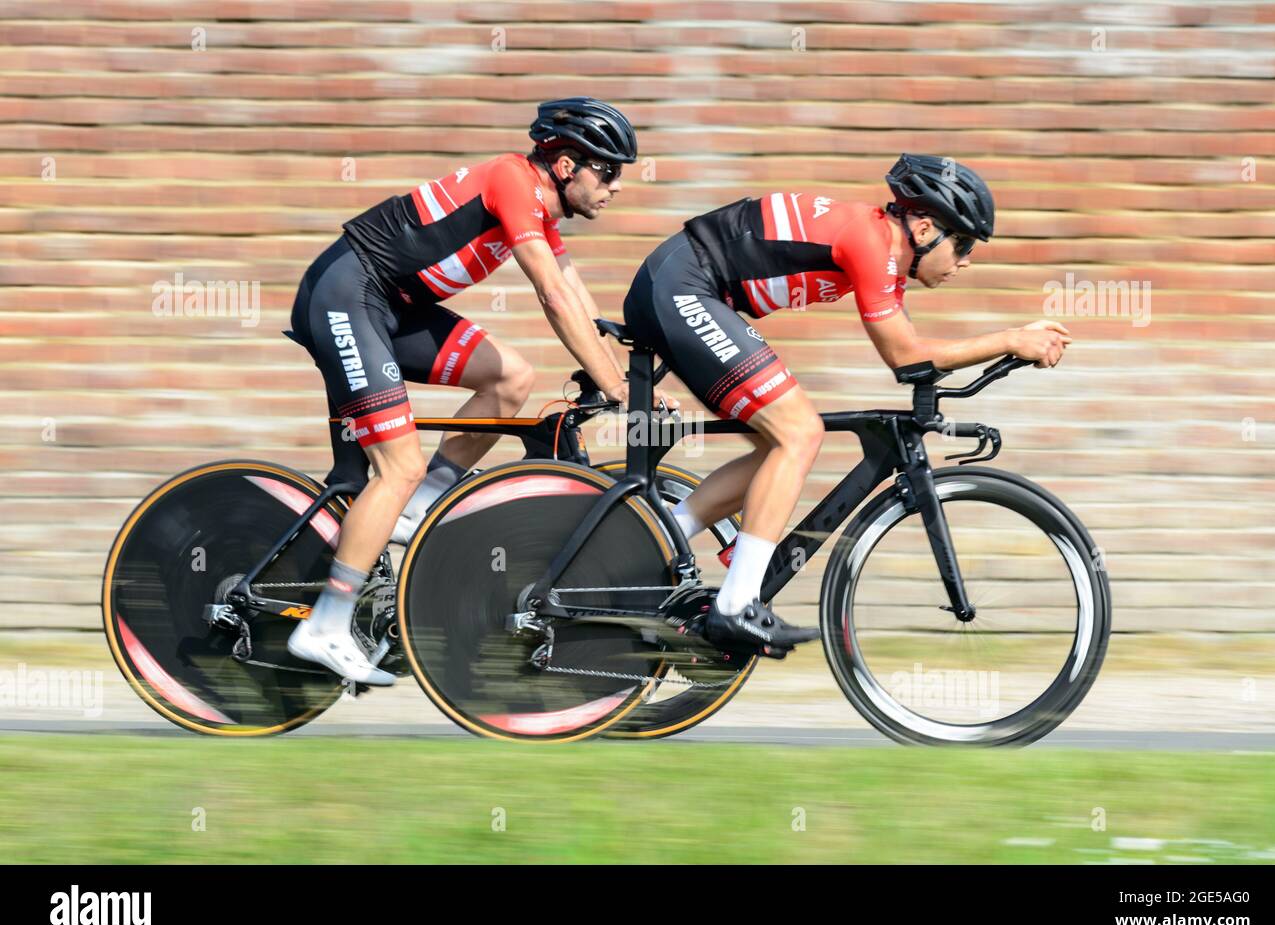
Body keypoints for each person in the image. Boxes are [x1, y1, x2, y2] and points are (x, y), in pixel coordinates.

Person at [284, 97, 669, 684]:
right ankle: (326, 622)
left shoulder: (541, 208)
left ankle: (413, 511)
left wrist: (621, 373)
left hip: (390, 307)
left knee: (511, 377)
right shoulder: (513, 180)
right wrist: (614, 386)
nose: (616, 186)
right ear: (566, 165)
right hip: (345, 294)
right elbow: (552, 296)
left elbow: (574, 291)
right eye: (609, 171)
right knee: (397, 465)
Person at [621, 153, 1072, 655]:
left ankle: (645, 545)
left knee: (779, 444)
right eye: (962, 243)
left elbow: (915, 361)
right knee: (800, 432)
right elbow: (904, 357)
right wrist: (1010, 339)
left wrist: (1005, 345)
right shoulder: (873, 242)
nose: (965, 259)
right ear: (924, 228)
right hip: (683, 285)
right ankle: (734, 606)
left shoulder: (884, 253)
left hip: (689, 288)